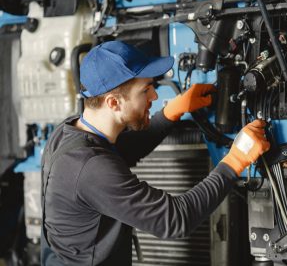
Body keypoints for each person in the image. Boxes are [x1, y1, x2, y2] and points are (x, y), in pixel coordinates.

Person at [40, 41, 270, 265]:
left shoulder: (70, 131)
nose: (155, 97)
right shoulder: (90, 167)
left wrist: (172, 111)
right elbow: (175, 219)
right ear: (113, 103)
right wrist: (235, 161)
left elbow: (123, 149)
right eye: (146, 90)